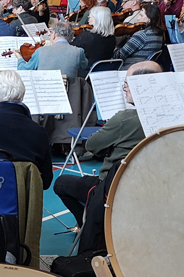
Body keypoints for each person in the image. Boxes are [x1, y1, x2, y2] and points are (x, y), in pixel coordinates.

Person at [53, 61, 160, 226]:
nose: (124, 88)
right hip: (154, 185)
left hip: (113, 186)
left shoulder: (124, 119)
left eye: (127, 84)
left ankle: (88, 224)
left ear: (140, 87)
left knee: (61, 183)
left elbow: (92, 145)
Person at [17, 20, 88, 77]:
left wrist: (20, 58)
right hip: (70, 92)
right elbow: (84, 66)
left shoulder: (40, 51)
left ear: (54, 35)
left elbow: (24, 70)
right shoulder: (78, 52)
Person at [113, 4, 164, 68]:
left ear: (149, 18)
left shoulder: (142, 35)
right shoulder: (159, 34)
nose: (138, 18)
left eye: (141, 15)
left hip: (129, 68)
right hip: (144, 68)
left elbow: (118, 56)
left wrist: (111, 43)